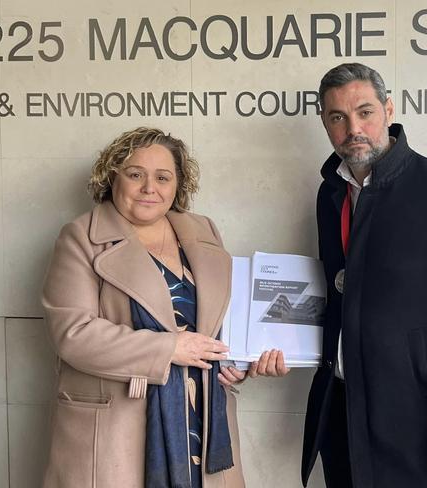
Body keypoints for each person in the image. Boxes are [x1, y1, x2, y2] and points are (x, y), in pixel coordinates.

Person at [41, 127, 285, 488]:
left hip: (202, 422)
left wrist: (236, 362)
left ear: (178, 185)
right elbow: (74, 334)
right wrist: (169, 347)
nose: (148, 188)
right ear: (112, 178)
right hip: (118, 426)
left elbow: (218, 324)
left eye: (162, 177)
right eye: (135, 174)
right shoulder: (80, 238)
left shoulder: (204, 231)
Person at [301, 63, 427, 488]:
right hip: (343, 413)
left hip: (420, 420)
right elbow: (337, 296)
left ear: (389, 110)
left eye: (365, 112)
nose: (352, 127)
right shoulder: (330, 193)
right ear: (324, 122)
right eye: (337, 117)